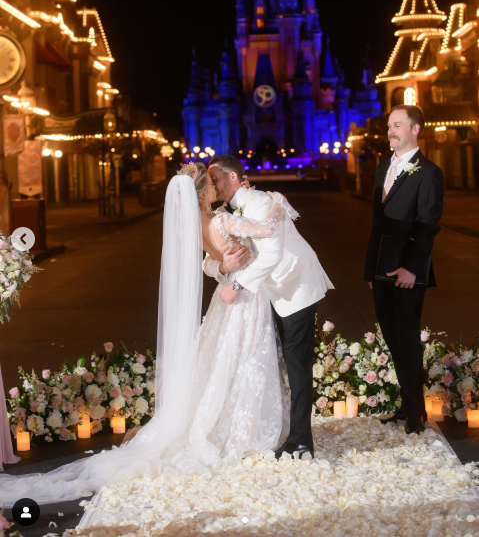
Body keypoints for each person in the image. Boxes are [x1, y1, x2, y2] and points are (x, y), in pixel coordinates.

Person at [0, 162, 294, 509]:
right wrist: (276, 201)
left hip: (227, 295)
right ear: (202, 192)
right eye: (212, 183)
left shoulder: (197, 224)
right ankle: (236, 428)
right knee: (240, 360)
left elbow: (209, 261)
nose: (217, 186)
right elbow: (267, 228)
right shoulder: (219, 220)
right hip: (243, 297)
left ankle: (222, 421)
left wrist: (222, 265)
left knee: (223, 362)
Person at [205, 155, 334, 459]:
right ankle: (282, 429)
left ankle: (302, 440)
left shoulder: (262, 203)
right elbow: (214, 257)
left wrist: (236, 286)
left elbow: (272, 254)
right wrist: (223, 267)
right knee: (277, 360)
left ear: (234, 177)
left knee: (297, 362)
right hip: (269, 293)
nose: (213, 184)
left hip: (295, 286)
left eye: (217, 178)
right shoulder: (225, 212)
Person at [364, 105, 444, 435]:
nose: (390, 130)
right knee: (393, 338)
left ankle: (416, 413)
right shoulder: (383, 168)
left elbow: (428, 225)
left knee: (408, 339)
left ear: (415, 130)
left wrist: (412, 268)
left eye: (397, 125)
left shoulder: (428, 172)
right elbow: (377, 224)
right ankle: (406, 403)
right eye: (389, 126)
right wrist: (371, 270)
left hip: (408, 271)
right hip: (381, 267)